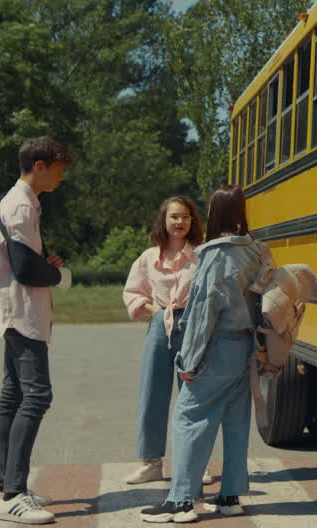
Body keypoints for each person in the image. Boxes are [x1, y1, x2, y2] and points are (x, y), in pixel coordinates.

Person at [140, 185, 275, 524]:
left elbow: (202, 314)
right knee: (235, 419)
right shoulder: (256, 250)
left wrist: (189, 361)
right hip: (245, 345)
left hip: (218, 347)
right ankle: (230, 495)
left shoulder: (216, 254)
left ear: (215, 213)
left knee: (187, 416)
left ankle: (182, 501)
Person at [0, 136, 74, 525]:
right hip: (21, 314)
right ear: (39, 165)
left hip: (14, 311)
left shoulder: (23, 202)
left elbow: (24, 259)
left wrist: (44, 262)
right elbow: (25, 269)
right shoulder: (20, 204)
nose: (61, 177)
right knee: (37, 396)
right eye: (59, 169)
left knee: (13, 395)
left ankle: (2, 485)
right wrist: (59, 274)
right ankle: (14, 495)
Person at [122, 196, 215, 487]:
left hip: (193, 327)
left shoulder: (202, 255)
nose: (180, 222)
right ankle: (151, 463)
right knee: (152, 394)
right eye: (174, 217)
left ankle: (197, 463)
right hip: (160, 326)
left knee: (193, 397)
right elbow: (133, 291)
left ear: (193, 222)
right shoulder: (149, 257)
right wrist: (156, 312)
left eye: (186, 217)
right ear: (164, 220)